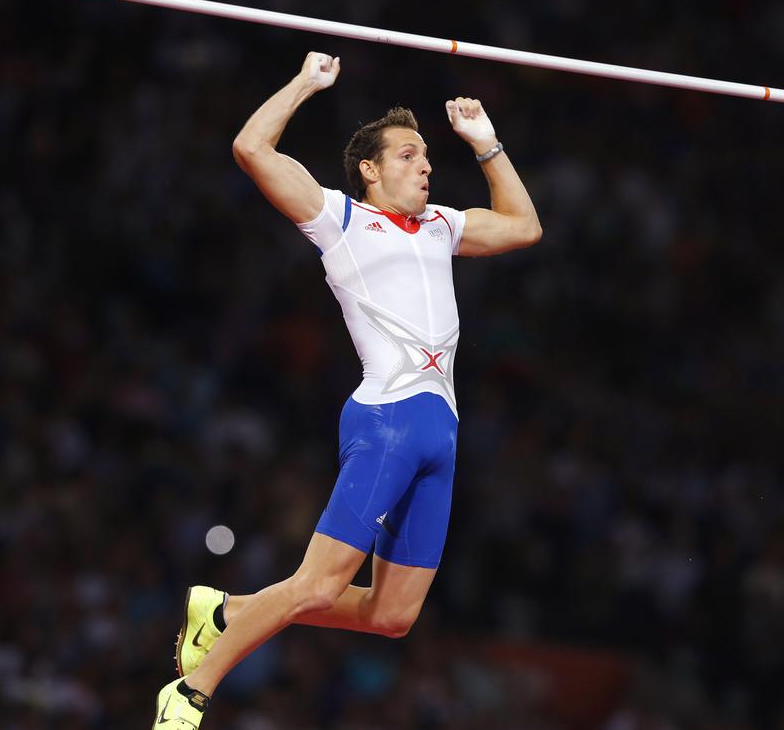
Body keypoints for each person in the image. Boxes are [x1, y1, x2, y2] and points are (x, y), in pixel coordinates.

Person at [154, 51, 541, 728]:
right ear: (371, 168)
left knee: (392, 616)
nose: (426, 165)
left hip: (441, 435)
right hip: (387, 419)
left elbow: (524, 226)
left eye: (427, 156)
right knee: (318, 585)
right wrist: (304, 82)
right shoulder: (338, 219)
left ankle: (222, 610)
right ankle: (191, 689)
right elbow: (250, 147)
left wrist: (487, 144)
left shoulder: (441, 226)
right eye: (409, 155)